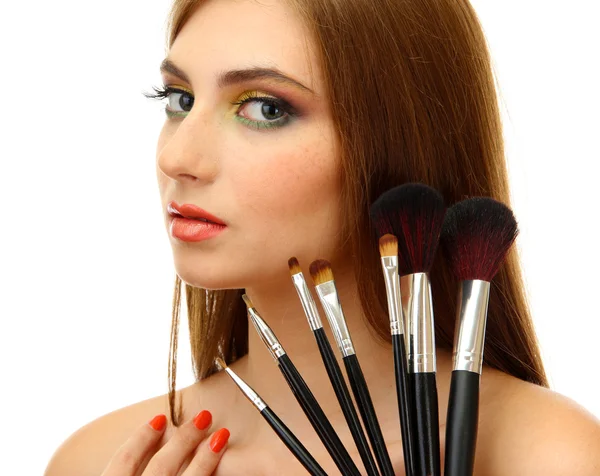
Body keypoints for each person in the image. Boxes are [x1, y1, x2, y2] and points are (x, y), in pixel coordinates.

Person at [45, 0, 600, 474]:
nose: (176, 157)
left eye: (266, 108)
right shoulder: (99, 459)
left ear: (397, 144)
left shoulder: (545, 453)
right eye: (179, 100)